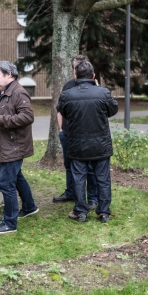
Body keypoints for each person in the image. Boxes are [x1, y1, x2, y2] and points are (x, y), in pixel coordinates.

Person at [56, 56, 119, 223]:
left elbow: (64, 112)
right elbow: (113, 110)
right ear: (93, 75)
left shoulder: (67, 95)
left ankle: (81, 211)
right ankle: (104, 212)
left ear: (75, 75)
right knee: (103, 178)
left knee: (79, 177)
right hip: (100, 144)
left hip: (77, 144)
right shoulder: (103, 92)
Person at [0, 61, 38, 234]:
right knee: (17, 177)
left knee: (7, 184)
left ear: (9, 75)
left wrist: (0, 120)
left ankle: (10, 223)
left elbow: (27, 116)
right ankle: (29, 207)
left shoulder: (18, 92)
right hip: (5, 143)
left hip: (14, 146)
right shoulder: (0, 92)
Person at [53, 56, 98, 210]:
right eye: (76, 68)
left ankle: (92, 198)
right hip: (68, 134)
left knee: (90, 167)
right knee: (69, 164)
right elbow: (59, 109)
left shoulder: (95, 87)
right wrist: (61, 129)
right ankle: (71, 192)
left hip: (88, 135)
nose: (79, 70)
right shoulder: (68, 86)